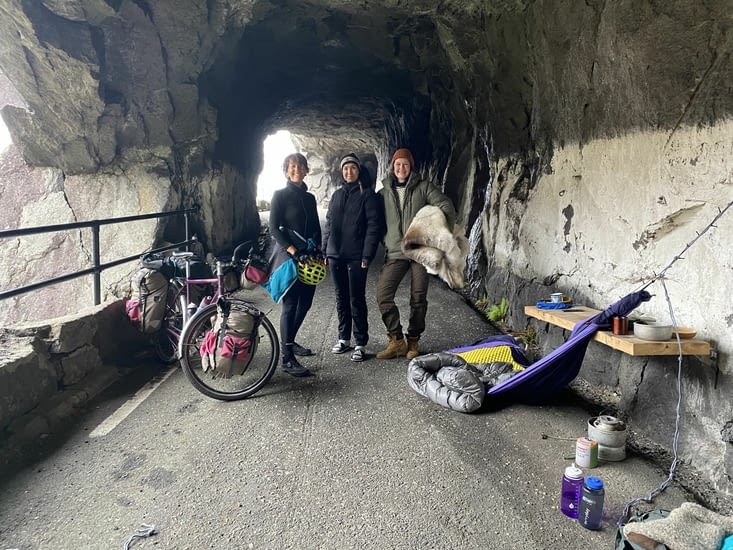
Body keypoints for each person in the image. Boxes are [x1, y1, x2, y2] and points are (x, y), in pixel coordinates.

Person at [375, 147, 456, 361]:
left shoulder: (424, 187)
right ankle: (396, 340)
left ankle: (413, 340)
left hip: (419, 251)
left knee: (418, 298)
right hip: (395, 252)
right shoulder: (383, 193)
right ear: (393, 167)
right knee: (383, 295)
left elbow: (445, 204)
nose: (401, 168)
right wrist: (384, 239)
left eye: (405, 164)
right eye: (398, 164)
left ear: (411, 167)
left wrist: (441, 234)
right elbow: (373, 219)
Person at [322, 153, 383, 362]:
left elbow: (373, 227)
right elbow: (328, 223)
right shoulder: (337, 195)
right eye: (346, 168)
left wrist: (368, 254)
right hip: (335, 255)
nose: (349, 172)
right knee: (341, 297)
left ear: (359, 171)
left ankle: (360, 343)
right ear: (342, 172)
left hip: (357, 256)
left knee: (356, 298)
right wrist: (324, 250)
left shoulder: (367, 195)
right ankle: (343, 338)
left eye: (353, 168)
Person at [268, 153, 322, 377]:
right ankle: (287, 358)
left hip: (308, 256)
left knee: (306, 302)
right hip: (289, 257)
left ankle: (289, 341)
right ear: (286, 170)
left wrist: (318, 248)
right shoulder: (279, 195)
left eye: (300, 166)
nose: (297, 169)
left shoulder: (309, 198)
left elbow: (317, 227)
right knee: (290, 305)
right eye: (292, 166)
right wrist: (293, 251)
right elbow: (273, 228)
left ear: (306, 170)